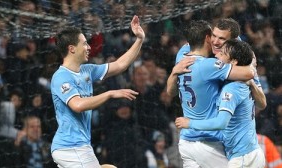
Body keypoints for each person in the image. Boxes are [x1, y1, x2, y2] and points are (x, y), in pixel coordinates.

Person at [50, 15, 145, 168]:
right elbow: (78, 105)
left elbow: (120, 65)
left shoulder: (87, 71)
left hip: (79, 146)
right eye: (84, 43)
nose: (88, 47)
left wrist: (139, 39)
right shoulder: (61, 77)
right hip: (71, 147)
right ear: (71, 48)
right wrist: (109, 93)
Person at [166, 20, 254, 168]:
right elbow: (248, 73)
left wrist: (174, 72)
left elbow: (170, 91)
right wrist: (250, 60)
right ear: (208, 38)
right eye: (213, 36)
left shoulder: (182, 56)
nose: (215, 41)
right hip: (207, 141)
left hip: (186, 142)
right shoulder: (209, 66)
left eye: (220, 38)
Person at [175, 18, 266, 110]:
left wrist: (252, 83)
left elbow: (262, 104)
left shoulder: (241, 57)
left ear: (233, 42)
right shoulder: (190, 51)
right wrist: (173, 73)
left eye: (222, 39)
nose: (215, 42)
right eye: (214, 36)